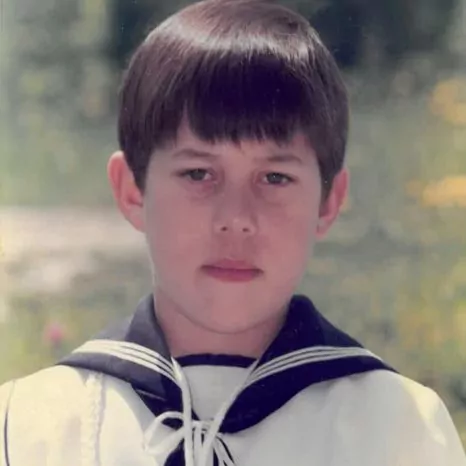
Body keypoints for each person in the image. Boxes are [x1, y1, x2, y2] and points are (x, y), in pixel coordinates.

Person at [1, 0, 465, 465]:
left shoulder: (400, 429)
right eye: (199, 173)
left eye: (275, 177)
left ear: (329, 200)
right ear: (132, 190)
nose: (237, 217)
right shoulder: (30, 428)